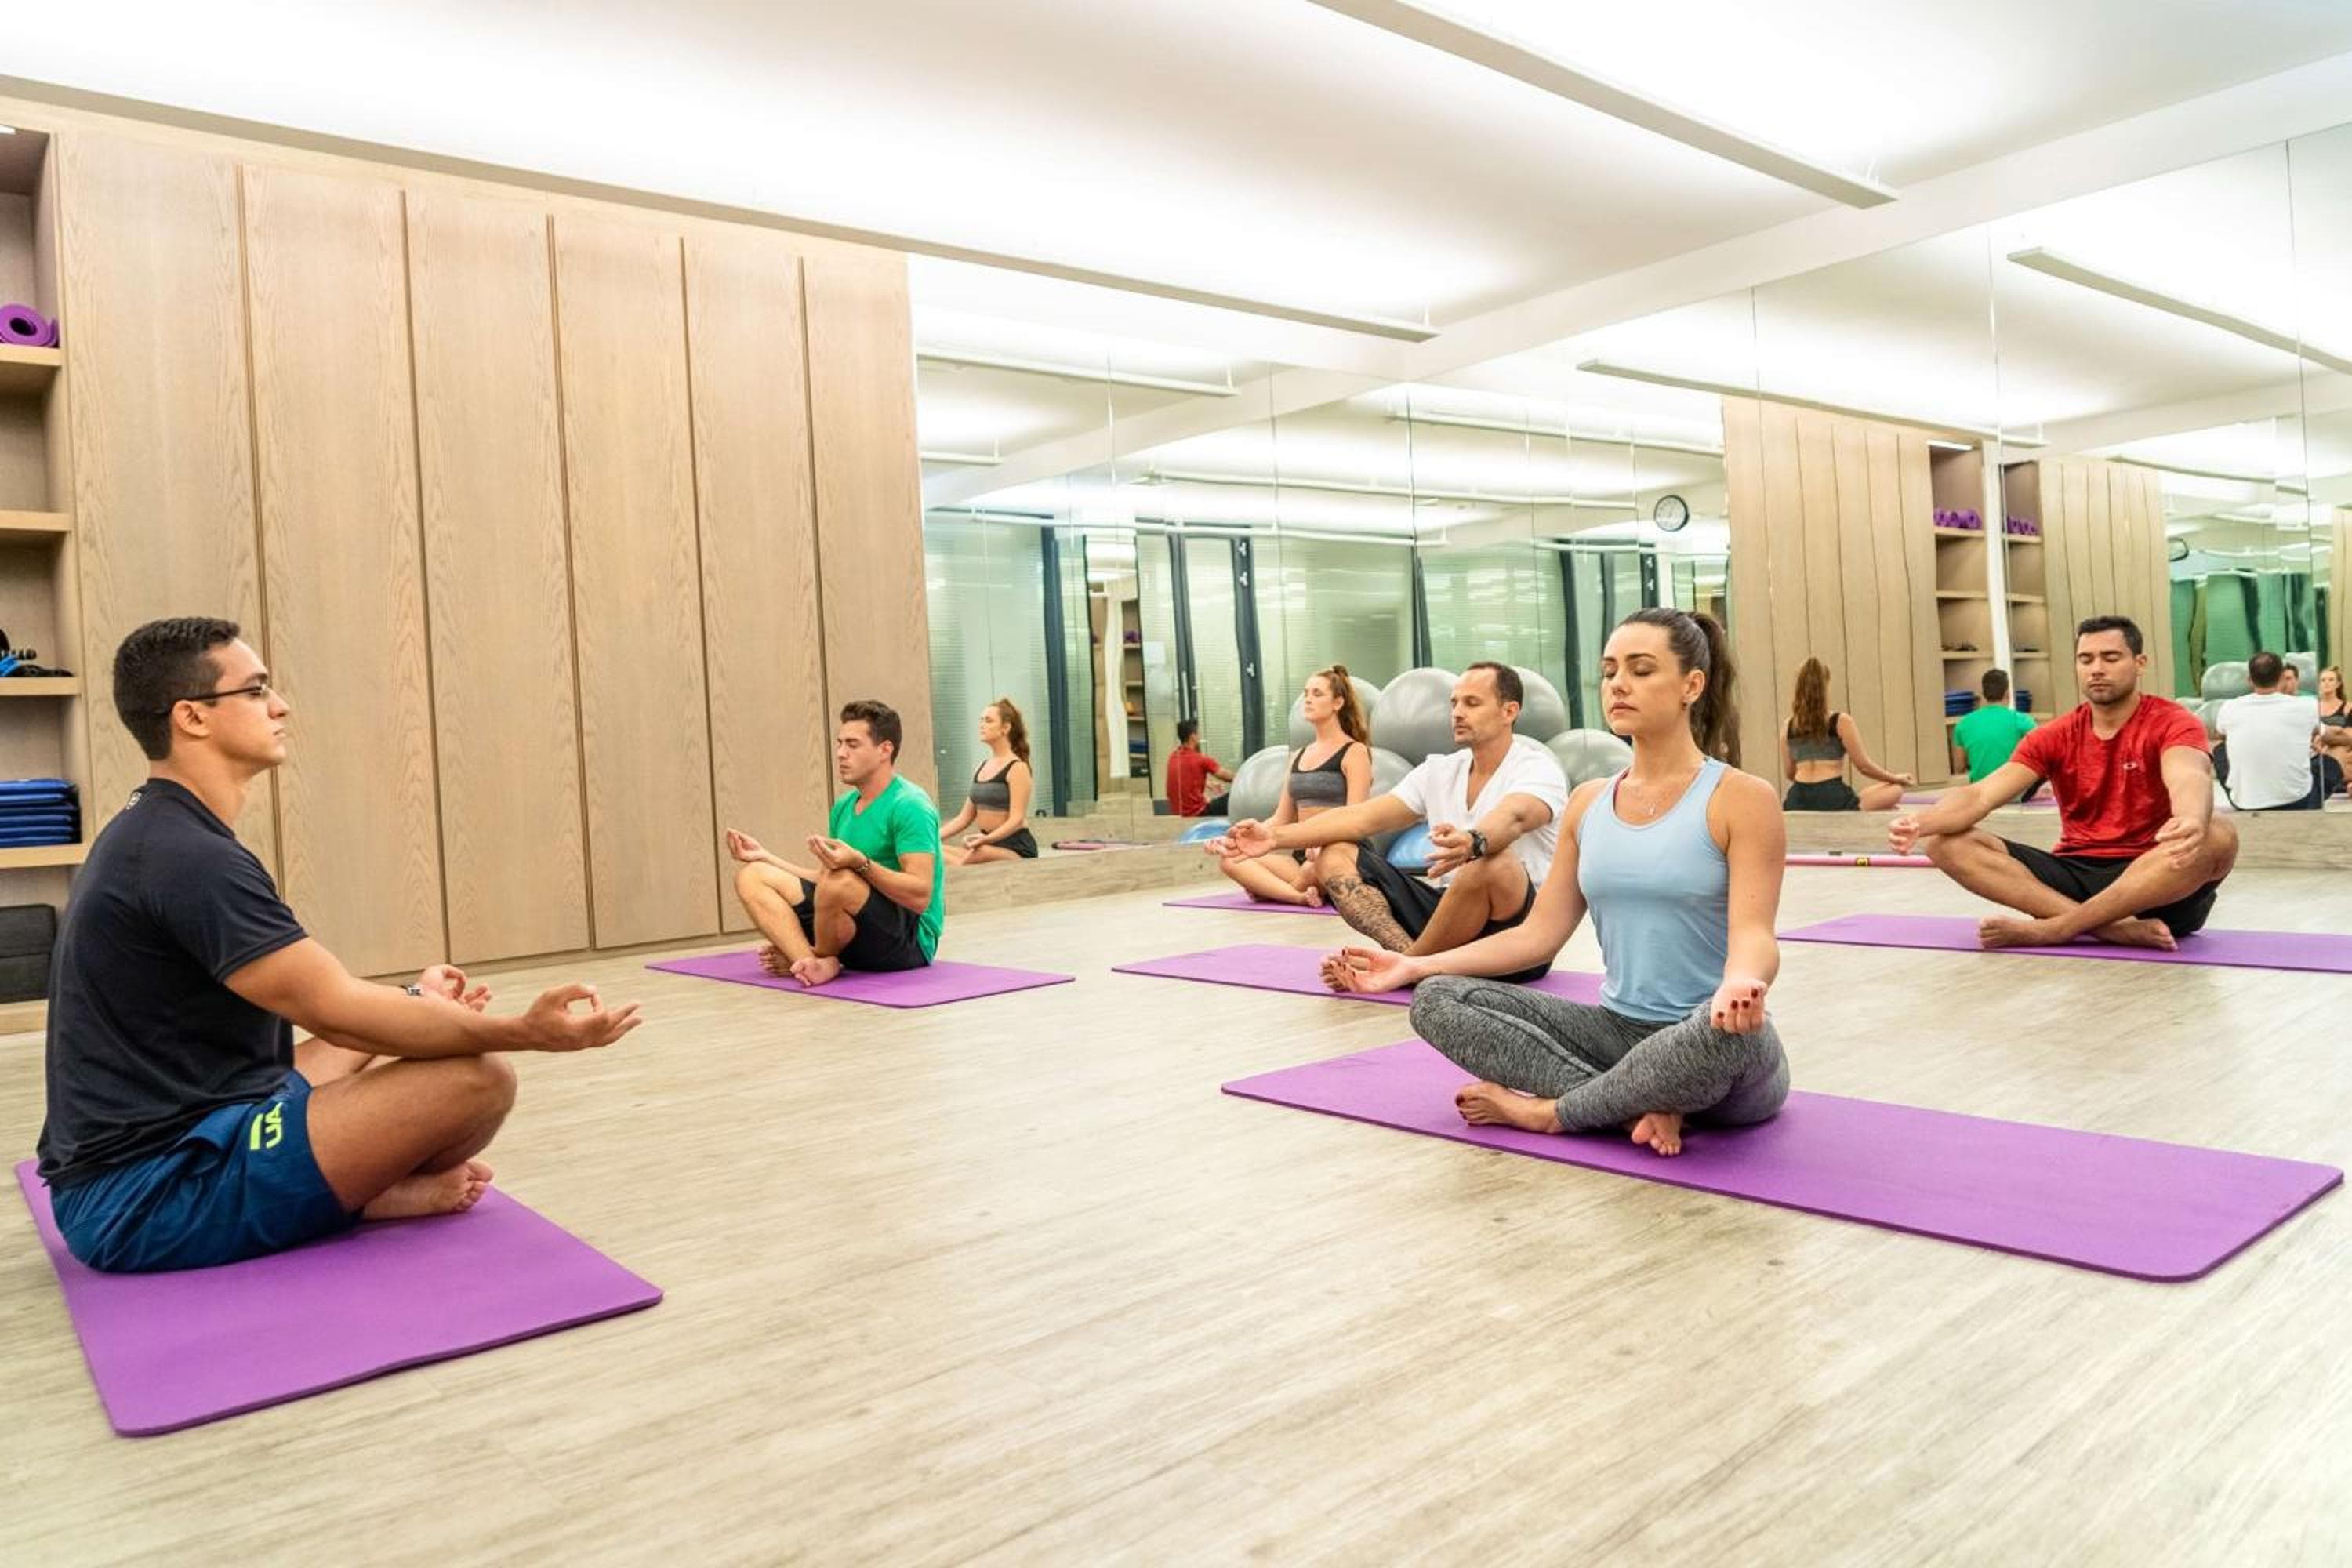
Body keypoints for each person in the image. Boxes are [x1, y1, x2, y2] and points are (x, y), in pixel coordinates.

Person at [34, 618, 642, 1274]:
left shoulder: (160, 830)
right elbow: (337, 1011)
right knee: (478, 1079)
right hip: (143, 1199)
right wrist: (525, 1032)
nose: (280, 706)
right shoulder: (185, 857)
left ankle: (349, 1189)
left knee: (405, 1035)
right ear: (192, 717)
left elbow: (335, 1007)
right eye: (256, 690)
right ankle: (356, 1199)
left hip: (204, 1121)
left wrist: (416, 999)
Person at [1323, 608, 1787, 1159]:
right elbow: (1537, 936)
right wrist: (1414, 966)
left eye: (1641, 670)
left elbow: (1755, 935)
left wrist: (1741, 983)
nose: (1618, 684)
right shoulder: (1589, 802)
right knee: (1438, 999)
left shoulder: (1742, 798)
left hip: (1713, 1034)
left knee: (1728, 1035)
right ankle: (1632, 1106)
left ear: (1692, 685)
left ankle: (1552, 1113)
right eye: (1610, 671)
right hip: (1617, 1034)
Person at [1889, 615, 2237, 950]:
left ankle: (2058, 928)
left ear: (2139, 663)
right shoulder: (2055, 734)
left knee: (2219, 833)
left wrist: (2190, 817)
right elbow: (1981, 794)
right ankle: (2109, 929)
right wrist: (1921, 822)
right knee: (1944, 844)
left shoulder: (2173, 721)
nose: (2097, 669)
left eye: (2110, 658)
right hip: (2075, 875)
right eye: (2086, 659)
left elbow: (2187, 774)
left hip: (2155, 883)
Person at [1215, 662, 1567, 980]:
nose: (1458, 713)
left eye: (1472, 703)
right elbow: (1361, 818)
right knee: (1335, 853)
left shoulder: (1536, 768)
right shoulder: (1439, 770)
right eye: (1454, 703)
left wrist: (1474, 840)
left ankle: (1407, 967)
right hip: (1448, 917)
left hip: (1517, 936)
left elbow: (1515, 816)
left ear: (1509, 711)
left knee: (1493, 862)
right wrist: (1274, 837)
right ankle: (1406, 959)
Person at [727, 699, 942, 985]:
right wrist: (765, 857)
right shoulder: (844, 806)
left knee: (840, 881)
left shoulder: (910, 805)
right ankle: (810, 963)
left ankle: (815, 957)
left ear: (885, 750)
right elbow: (824, 880)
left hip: (908, 941)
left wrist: (861, 864)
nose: (841, 753)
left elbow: (920, 896)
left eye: (852, 745)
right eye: (840, 744)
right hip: (851, 925)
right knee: (752, 875)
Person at [1218, 666, 1374, 907]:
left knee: (1314, 869)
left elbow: (1356, 820)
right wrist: (1238, 840)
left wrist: (1322, 846)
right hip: (1303, 856)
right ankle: (1298, 896)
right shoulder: (1297, 756)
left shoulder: (1355, 752)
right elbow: (1281, 818)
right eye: (1306, 693)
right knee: (1231, 860)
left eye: (1317, 694)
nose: (1308, 699)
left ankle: (1274, 891)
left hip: (1341, 852)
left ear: (1338, 702)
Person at [1780, 658, 1910, 811]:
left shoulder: (1788, 726)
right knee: (1895, 789)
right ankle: (1852, 807)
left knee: (1865, 794)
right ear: (1825, 686)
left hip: (1797, 800)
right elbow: (1864, 767)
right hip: (1832, 797)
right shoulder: (1840, 721)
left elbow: (1790, 773)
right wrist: (1896, 778)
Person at [2215, 652, 2321, 811]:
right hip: (2298, 801)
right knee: (2334, 757)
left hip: (2245, 804)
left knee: (2219, 749)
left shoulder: (2229, 708)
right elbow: (2330, 735)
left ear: (2250, 680)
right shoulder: (2307, 705)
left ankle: (2246, 791)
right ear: (2281, 679)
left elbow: (2221, 735)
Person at [939, 699, 1037, 863]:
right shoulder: (981, 767)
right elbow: (963, 818)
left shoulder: (1017, 768)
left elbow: (1017, 819)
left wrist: (986, 839)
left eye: (989, 720)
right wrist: (931, 837)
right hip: (986, 845)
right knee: (930, 849)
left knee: (978, 854)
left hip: (1014, 848)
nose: (982, 725)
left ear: (1005, 728)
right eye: (981, 720)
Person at [1952, 668, 2038, 785]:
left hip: (1980, 790)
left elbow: (1959, 767)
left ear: (1983, 694)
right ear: (2007, 694)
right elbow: (2042, 757)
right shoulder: (2023, 721)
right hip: (2014, 790)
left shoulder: (1963, 724)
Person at [1165, 719, 1232, 818]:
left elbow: (1183, 779)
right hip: (1199, 813)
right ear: (1193, 737)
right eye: (1198, 734)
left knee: (1213, 800)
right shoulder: (1200, 759)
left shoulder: (1173, 757)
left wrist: (1206, 783)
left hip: (1178, 812)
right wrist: (1243, 777)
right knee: (1235, 797)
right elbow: (1226, 776)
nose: (1199, 737)